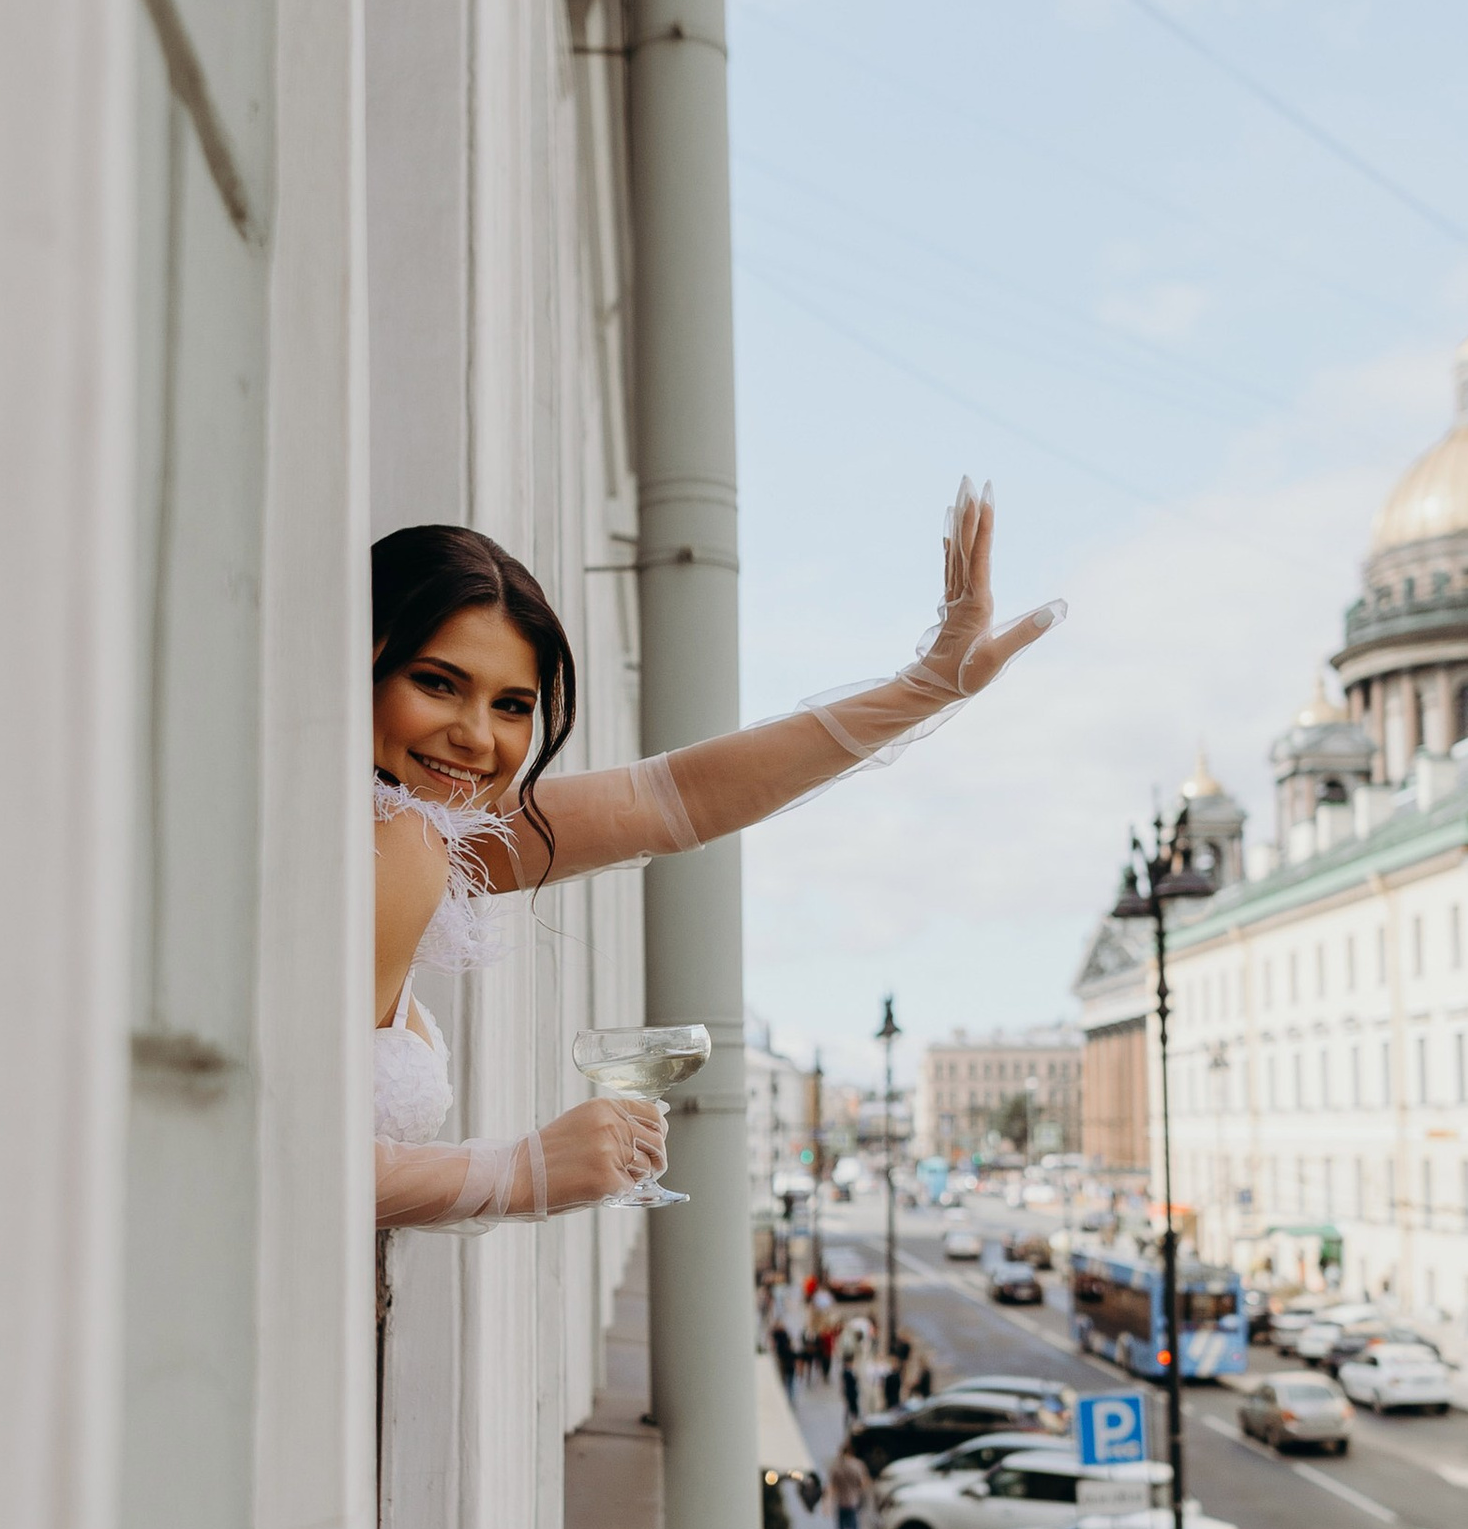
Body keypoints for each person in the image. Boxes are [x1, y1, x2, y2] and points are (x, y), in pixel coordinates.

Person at [369, 488, 1057, 1228]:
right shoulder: (396, 841)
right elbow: (272, 1145)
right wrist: (521, 1171)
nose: (478, 738)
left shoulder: (418, 831)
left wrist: (922, 688)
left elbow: (678, 797)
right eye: (436, 683)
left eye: (511, 705)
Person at [829, 1451, 867, 1529]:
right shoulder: (856, 1466)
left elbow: (833, 1486)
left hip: (841, 1503)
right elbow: (862, 1484)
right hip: (853, 1502)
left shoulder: (837, 1468)